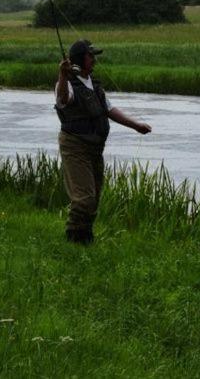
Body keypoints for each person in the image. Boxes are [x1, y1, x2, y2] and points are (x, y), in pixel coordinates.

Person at [55, 38, 151, 244]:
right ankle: (74, 239)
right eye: (91, 57)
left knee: (94, 197)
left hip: (94, 148)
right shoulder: (67, 84)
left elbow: (109, 110)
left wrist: (136, 125)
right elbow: (63, 99)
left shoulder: (94, 85)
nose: (95, 61)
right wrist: (62, 75)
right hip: (75, 145)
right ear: (81, 59)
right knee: (84, 198)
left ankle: (85, 237)